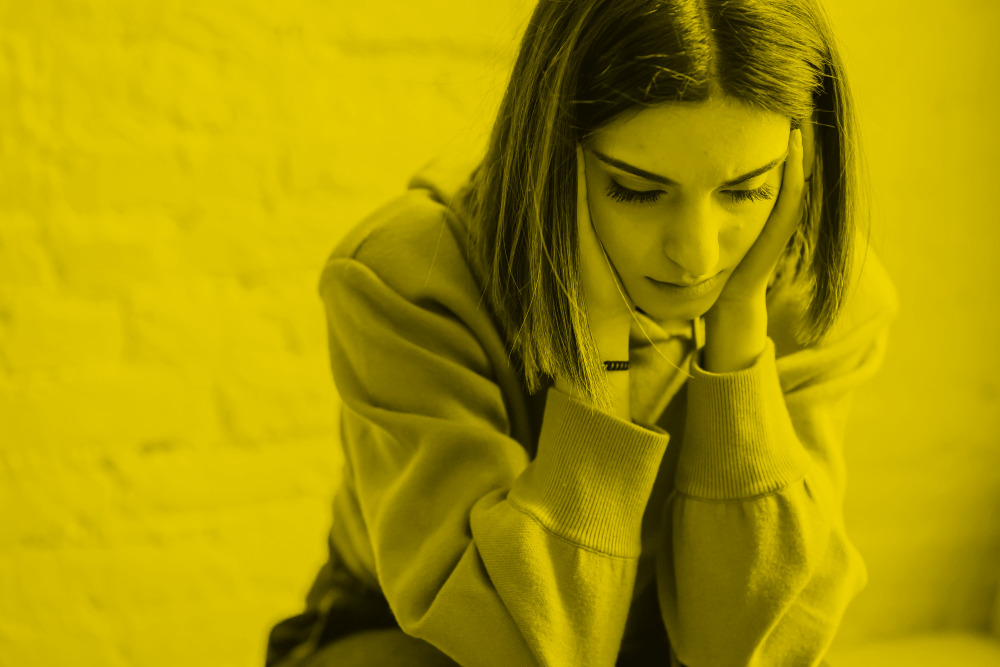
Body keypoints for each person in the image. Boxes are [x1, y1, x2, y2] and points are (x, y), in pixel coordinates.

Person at [266, 0, 897, 664]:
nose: (699, 256)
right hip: (412, 645)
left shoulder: (820, 288)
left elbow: (741, 648)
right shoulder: (409, 280)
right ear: (549, 154)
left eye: (745, 191)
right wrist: (596, 360)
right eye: (636, 189)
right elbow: (516, 646)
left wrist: (738, 342)